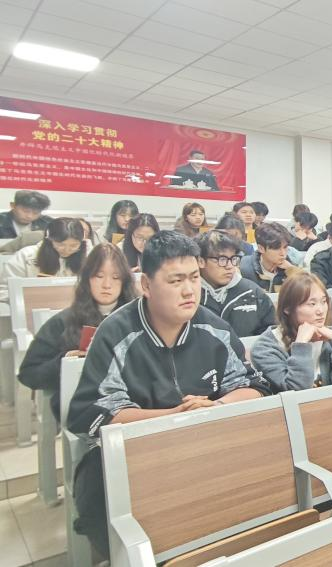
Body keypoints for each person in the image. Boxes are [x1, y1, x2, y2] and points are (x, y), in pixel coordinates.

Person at [67, 231, 269, 554]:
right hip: (132, 458)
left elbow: (254, 387)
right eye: (176, 281)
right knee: (107, 509)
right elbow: (96, 413)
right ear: (146, 285)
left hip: (204, 446)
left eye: (194, 278)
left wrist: (216, 406)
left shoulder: (214, 328)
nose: (189, 290)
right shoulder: (116, 333)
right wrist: (174, 416)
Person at [19, 244, 136, 421]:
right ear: (87, 279)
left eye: (115, 277)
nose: (107, 285)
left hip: (134, 400)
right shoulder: (63, 321)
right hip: (85, 407)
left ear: (125, 281)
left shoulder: (137, 318)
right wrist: (65, 361)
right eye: (99, 276)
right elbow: (29, 374)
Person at [251, 272, 332, 391]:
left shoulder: (330, 337)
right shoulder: (264, 348)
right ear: (287, 308)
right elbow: (297, 390)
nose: (320, 311)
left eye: (323, 302)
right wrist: (301, 345)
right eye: (312, 304)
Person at [196, 230, 275, 338]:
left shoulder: (252, 292)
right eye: (222, 259)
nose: (229, 266)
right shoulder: (190, 296)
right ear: (201, 261)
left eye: (233, 259)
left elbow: (271, 332)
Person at [0, 217, 85, 302]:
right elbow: (4, 290)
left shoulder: (86, 258)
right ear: (49, 240)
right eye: (60, 244)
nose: (67, 249)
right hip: (32, 305)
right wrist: (31, 298)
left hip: (74, 307)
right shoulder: (26, 255)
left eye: (74, 245)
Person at [240, 221, 297, 293]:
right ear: (261, 248)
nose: (283, 253)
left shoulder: (290, 268)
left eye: (285, 247)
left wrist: (292, 270)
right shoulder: (244, 268)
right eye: (276, 248)